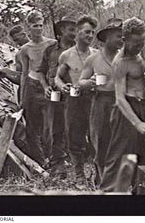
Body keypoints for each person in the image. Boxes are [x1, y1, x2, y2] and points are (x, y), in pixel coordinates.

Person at [100, 17, 145, 192]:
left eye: (142, 42)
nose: (140, 46)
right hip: (126, 112)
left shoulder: (137, 54)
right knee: (120, 157)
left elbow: (138, 80)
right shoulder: (121, 62)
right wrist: (136, 122)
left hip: (141, 108)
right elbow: (120, 98)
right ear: (124, 40)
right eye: (136, 43)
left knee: (141, 157)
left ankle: (139, 193)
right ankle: (109, 192)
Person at [79, 18, 123, 185]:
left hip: (123, 103)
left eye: (123, 37)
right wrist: (89, 83)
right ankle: (102, 180)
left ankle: (121, 180)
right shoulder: (93, 59)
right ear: (108, 37)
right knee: (101, 140)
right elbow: (81, 82)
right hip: (101, 103)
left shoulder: (128, 57)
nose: (122, 40)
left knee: (121, 142)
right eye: (119, 36)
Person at [55, 15, 98, 186]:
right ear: (78, 32)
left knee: (96, 137)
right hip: (74, 100)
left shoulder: (97, 54)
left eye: (93, 33)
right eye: (87, 32)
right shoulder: (67, 55)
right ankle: (79, 174)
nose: (90, 35)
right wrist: (62, 86)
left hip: (94, 100)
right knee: (74, 137)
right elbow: (57, 77)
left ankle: (98, 174)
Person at [36, 16, 76, 177]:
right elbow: (40, 72)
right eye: (71, 29)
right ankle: (58, 164)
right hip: (55, 95)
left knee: (76, 128)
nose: (75, 32)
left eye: (76, 29)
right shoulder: (50, 51)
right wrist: (45, 86)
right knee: (56, 129)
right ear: (61, 31)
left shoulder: (81, 49)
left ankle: (79, 161)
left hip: (76, 96)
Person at [20, 11, 57, 167]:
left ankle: (53, 157)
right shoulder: (25, 49)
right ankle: (41, 160)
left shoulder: (52, 44)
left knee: (51, 124)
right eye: (35, 25)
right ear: (29, 27)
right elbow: (24, 73)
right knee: (32, 126)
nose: (39, 29)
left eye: (41, 25)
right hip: (31, 86)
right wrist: (22, 97)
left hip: (49, 87)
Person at [0, 25, 29, 104]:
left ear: (24, 35)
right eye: (15, 41)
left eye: (18, 39)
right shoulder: (19, 55)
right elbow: (20, 80)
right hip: (26, 96)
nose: (17, 43)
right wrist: (7, 74)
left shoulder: (42, 49)